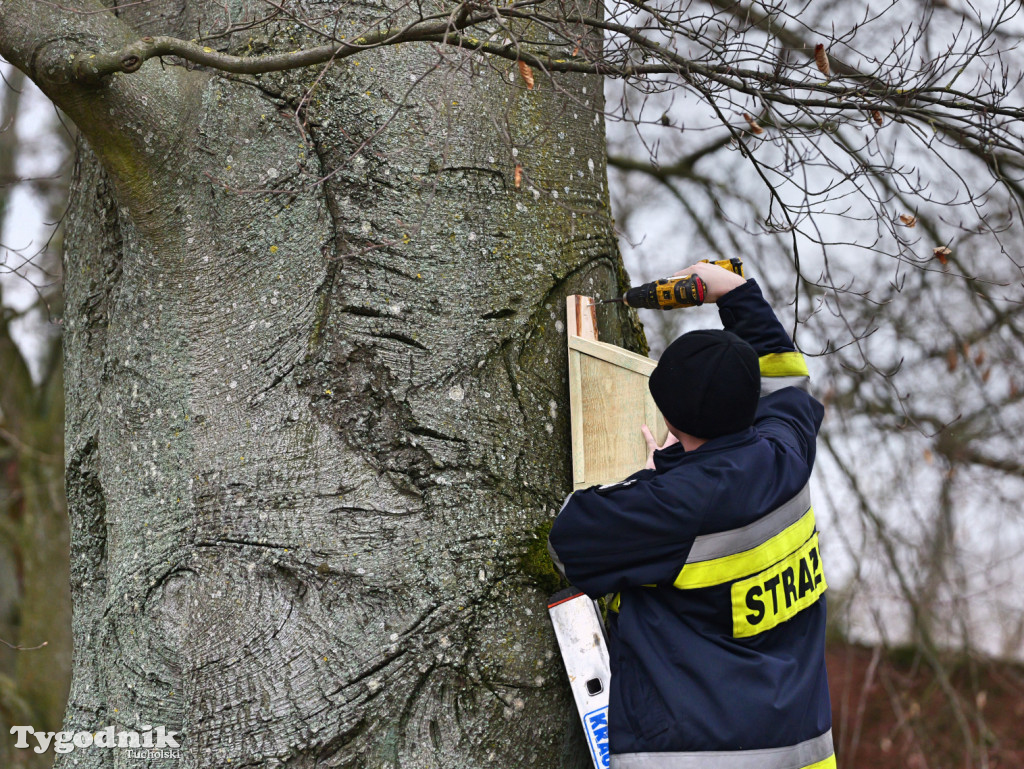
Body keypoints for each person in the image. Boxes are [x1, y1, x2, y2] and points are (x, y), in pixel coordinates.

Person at [548, 262, 833, 769]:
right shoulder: (784, 452)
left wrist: (653, 477)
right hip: (801, 751)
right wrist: (736, 291)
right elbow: (787, 382)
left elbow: (570, 536)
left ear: (669, 417)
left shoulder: (674, 507)